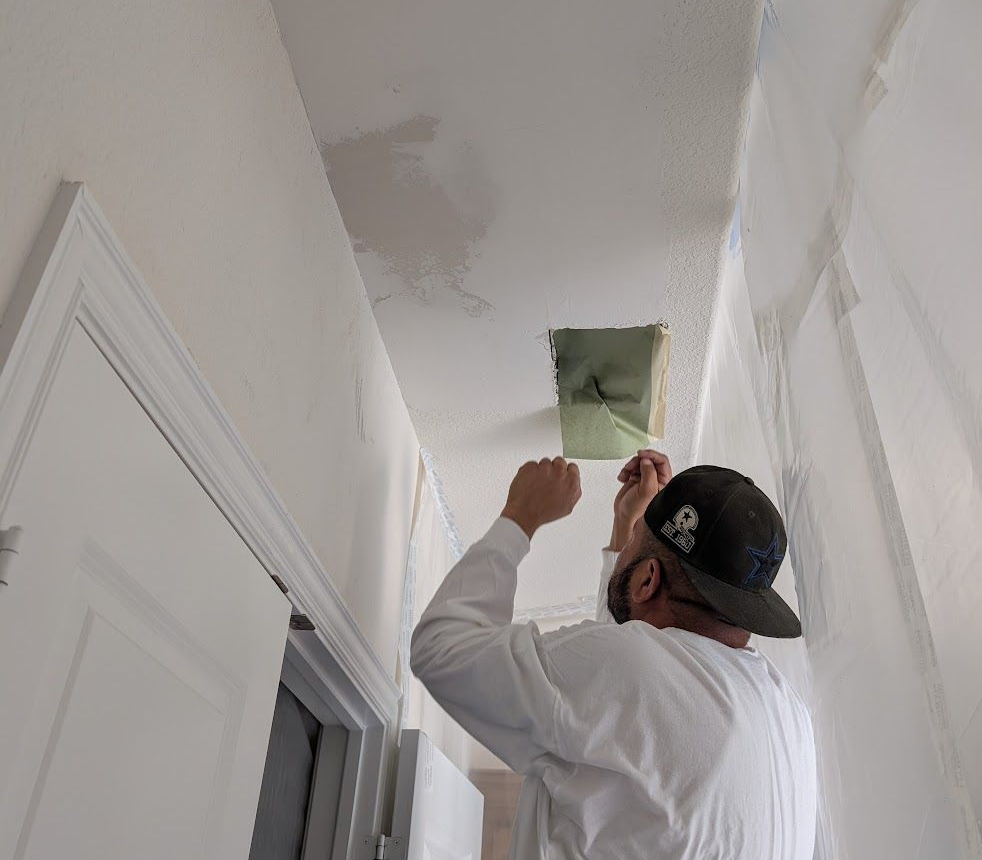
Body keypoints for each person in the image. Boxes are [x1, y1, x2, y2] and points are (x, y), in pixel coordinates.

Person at [411, 450, 817, 860]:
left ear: (647, 580)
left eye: (634, 543)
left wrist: (521, 515)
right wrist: (627, 525)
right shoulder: (787, 713)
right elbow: (616, 711)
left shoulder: (628, 670)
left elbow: (442, 647)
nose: (625, 547)